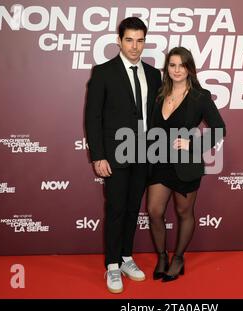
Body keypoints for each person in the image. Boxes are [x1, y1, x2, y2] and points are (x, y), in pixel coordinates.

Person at [84, 17, 162, 293]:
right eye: (129, 40)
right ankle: (112, 265)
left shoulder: (154, 74)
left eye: (140, 40)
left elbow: (157, 116)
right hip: (115, 155)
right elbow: (93, 117)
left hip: (143, 153)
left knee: (132, 209)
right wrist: (98, 156)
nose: (134, 46)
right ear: (119, 40)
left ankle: (127, 258)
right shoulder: (104, 72)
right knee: (116, 209)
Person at [147, 47, 226, 282]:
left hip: (186, 164)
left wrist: (194, 145)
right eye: (172, 65)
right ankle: (162, 256)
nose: (177, 70)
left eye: (182, 65)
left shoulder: (200, 96)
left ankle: (178, 258)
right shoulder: (159, 94)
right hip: (159, 161)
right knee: (154, 211)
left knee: (184, 212)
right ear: (167, 68)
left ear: (189, 68)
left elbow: (220, 129)